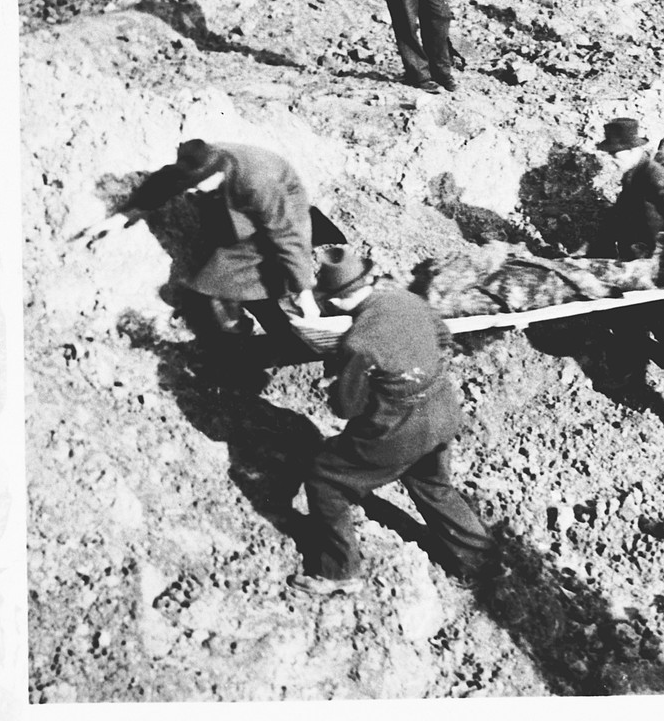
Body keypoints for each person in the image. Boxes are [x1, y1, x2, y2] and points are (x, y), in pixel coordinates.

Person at [290, 249, 498, 596]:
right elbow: (445, 339)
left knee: (325, 479)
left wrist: (338, 378)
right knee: (434, 485)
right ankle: (482, 561)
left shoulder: (358, 341)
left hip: (397, 431)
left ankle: (339, 571)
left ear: (338, 301)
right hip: (442, 410)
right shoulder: (407, 300)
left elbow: (346, 408)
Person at [87, 139, 321, 371]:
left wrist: (305, 292)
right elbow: (168, 181)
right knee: (227, 280)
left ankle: (269, 349)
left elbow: (287, 233)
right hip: (245, 206)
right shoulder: (202, 161)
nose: (193, 190)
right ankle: (248, 337)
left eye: (202, 184)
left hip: (285, 211)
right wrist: (126, 215)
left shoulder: (257, 182)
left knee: (232, 281)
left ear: (220, 170)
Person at [585, 118, 664, 392]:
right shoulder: (633, 177)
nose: (612, 160)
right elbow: (618, 220)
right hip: (640, 272)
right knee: (629, 325)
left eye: (615, 154)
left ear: (631, 151)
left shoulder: (656, 178)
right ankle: (629, 380)